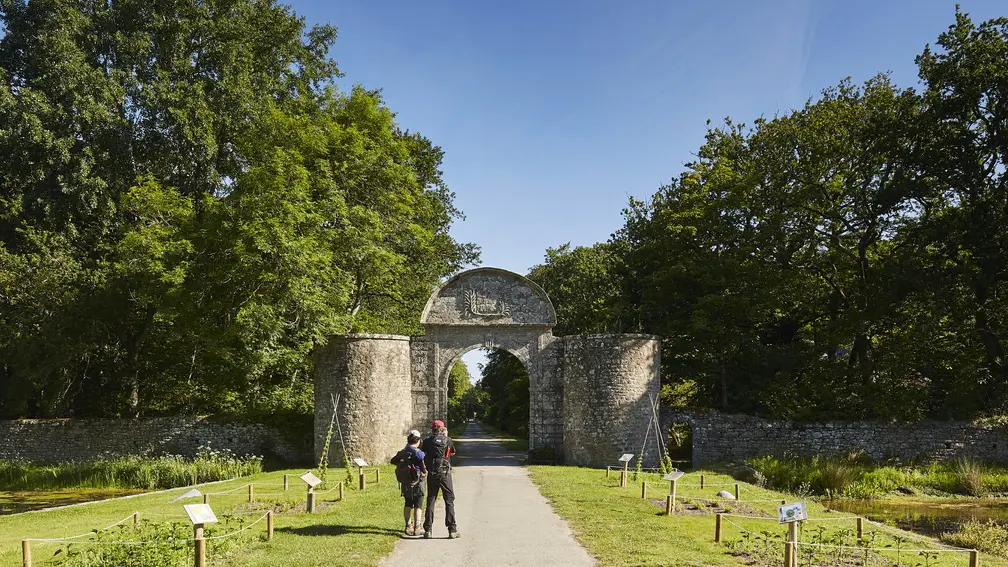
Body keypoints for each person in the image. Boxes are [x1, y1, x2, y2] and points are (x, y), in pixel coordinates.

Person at [421, 419, 459, 539]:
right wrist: (446, 437)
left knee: (431, 499)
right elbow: (452, 453)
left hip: (432, 473)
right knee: (449, 500)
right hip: (445, 473)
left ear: (432, 429)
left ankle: (428, 530)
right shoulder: (448, 440)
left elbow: (423, 454)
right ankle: (452, 529)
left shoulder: (427, 442)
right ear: (442, 429)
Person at [391, 429, 427, 536]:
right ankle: (417, 527)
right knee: (418, 505)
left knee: (408, 503)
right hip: (417, 482)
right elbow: (423, 466)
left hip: (406, 482)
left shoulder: (402, 452)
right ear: (418, 440)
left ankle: (408, 526)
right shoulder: (418, 453)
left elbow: (393, 461)